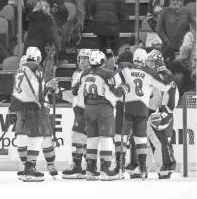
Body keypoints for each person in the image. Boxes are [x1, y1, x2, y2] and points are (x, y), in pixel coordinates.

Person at [112, 49, 170, 179]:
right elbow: (165, 87)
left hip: (125, 106)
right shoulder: (149, 72)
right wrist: (163, 73)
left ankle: (119, 167)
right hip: (142, 108)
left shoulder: (124, 68)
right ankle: (143, 168)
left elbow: (111, 83)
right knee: (141, 139)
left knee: (121, 137)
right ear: (144, 60)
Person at [73, 50, 124, 181]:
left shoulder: (83, 73)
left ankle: (90, 169)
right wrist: (123, 89)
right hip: (103, 108)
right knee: (106, 138)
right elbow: (112, 94)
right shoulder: (107, 73)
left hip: (88, 108)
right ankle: (106, 168)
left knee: (92, 139)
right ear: (102, 61)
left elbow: (76, 91)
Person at [9, 47, 57, 182]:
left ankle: (30, 167)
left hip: (22, 108)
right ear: (38, 58)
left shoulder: (18, 72)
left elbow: (13, 93)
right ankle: (30, 168)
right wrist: (41, 103)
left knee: (36, 138)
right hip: (33, 108)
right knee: (37, 138)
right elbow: (39, 90)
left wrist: (12, 110)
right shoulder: (37, 68)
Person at [146, 49, 179, 179]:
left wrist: (166, 112)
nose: (149, 63)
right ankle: (147, 166)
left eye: (152, 61)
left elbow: (172, 95)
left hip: (161, 111)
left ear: (159, 61)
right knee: (149, 141)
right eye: (148, 61)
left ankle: (167, 165)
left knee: (162, 140)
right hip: (150, 111)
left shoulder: (166, 74)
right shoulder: (149, 73)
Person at [61, 49, 92, 179]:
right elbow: (73, 95)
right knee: (84, 139)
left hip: (86, 109)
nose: (83, 60)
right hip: (78, 109)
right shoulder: (76, 74)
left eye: (86, 58)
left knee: (77, 136)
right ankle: (85, 166)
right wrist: (59, 92)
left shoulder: (91, 73)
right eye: (81, 58)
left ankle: (80, 166)